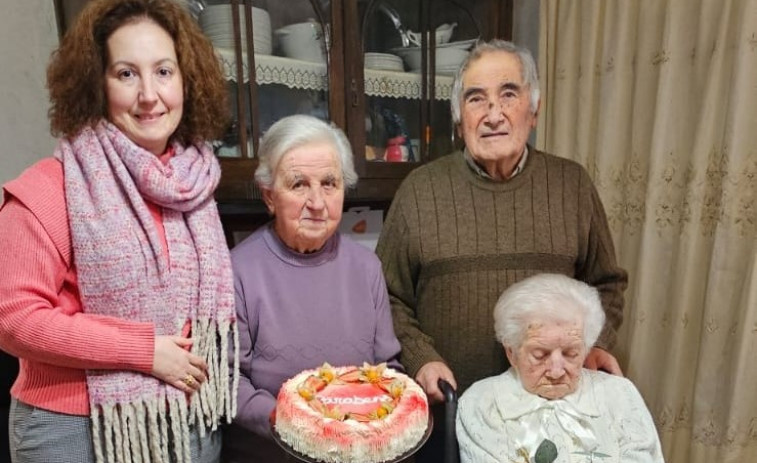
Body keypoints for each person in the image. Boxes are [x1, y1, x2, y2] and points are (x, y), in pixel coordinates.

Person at [0, 1, 237, 462]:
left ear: (187, 81)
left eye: (164, 72)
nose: (149, 94)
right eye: (126, 74)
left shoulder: (194, 185)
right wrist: (143, 351)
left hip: (188, 419)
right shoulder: (49, 187)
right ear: (96, 84)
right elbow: (13, 318)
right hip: (74, 430)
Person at [375, 39, 628, 460]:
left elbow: (606, 283)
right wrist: (421, 357)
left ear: (533, 109)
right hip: (447, 423)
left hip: (552, 416)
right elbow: (385, 294)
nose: (494, 114)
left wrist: (593, 344)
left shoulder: (572, 185)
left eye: (508, 94)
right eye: (477, 99)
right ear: (459, 120)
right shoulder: (420, 191)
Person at [222, 114, 403, 462]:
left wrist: (370, 425)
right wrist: (294, 424)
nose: (317, 202)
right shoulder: (238, 271)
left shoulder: (366, 268)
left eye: (329, 183)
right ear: (269, 196)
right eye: (299, 184)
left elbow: (388, 370)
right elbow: (229, 383)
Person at [456, 274, 664, 462]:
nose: (556, 371)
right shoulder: (483, 403)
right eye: (540, 355)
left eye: (571, 353)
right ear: (512, 353)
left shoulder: (618, 393)